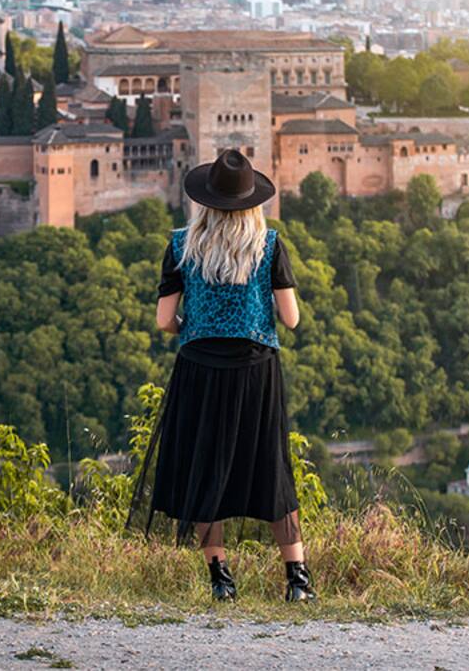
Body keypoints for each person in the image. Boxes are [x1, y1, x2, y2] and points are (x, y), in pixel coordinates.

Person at [130, 148, 316, 603]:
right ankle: (297, 581)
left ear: (205, 201)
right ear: (253, 203)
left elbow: (164, 320)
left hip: (200, 367)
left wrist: (193, 324)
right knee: (271, 469)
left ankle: (221, 580)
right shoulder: (269, 244)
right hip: (256, 369)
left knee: (205, 468)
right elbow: (291, 319)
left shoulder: (181, 245)